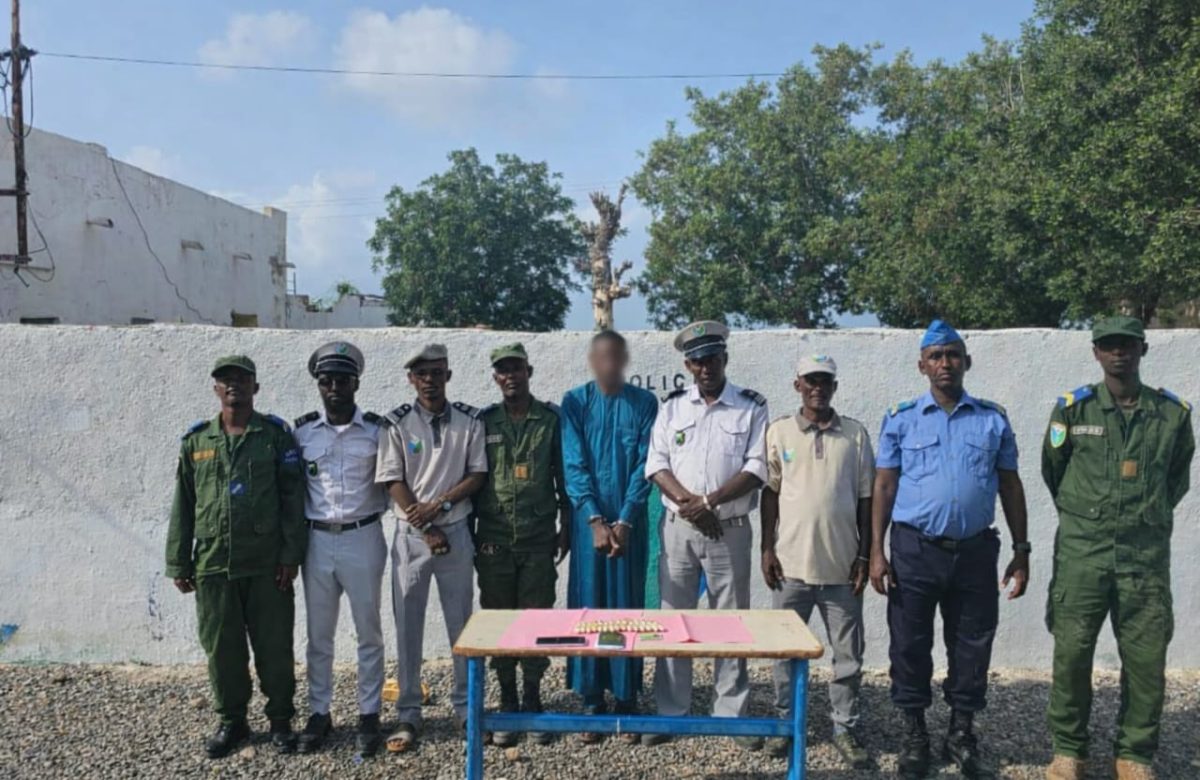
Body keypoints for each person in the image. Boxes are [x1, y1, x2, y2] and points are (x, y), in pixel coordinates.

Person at [869, 320, 1030, 780]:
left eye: (953, 355)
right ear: (922, 366)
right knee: (910, 644)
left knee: (973, 645)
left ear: (967, 362)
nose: (945, 363)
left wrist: (1022, 549)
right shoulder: (901, 418)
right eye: (936, 356)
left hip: (976, 552)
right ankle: (915, 733)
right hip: (915, 549)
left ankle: (961, 733)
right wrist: (876, 552)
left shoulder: (992, 418)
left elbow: (1010, 485)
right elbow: (883, 485)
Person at [1041, 316, 1194, 780]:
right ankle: (1069, 750)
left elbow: (1176, 480)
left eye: (1127, 345)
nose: (1118, 353)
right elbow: (1055, 471)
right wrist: (1089, 513)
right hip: (1083, 556)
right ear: (1096, 353)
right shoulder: (1072, 411)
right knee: (1072, 655)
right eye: (1108, 345)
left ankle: (1135, 755)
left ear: (1143, 350)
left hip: (1143, 560)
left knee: (1146, 660)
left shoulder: (1173, 415)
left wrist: (1141, 517)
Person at [165, 355, 306, 759]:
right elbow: (184, 504)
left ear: (255, 388)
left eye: (242, 380)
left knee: (274, 647)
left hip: (266, 565)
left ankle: (281, 721)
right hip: (213, 564)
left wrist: (291, 555)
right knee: (222, 650)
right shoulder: (197, 442)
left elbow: (292, 498)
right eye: (225, 380)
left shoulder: (274, 436)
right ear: (215, 388)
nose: (234, 387)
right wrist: (178, 561)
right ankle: (233, 722)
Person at [643, 320, 769, 750]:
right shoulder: (673, 406)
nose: (705, 368)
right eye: (697, 361)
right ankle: (669, 713)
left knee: (731, 623)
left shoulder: (750, 406)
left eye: (712, 359)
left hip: (728, 529)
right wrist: (691, 505)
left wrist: (709, 502)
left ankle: (731, 716)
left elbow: (757, 468)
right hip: (680, 528)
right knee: (673, 621)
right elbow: (656, 463)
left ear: (724, 359)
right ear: (687, 365)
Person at [760, 354, 873, 768]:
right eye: (811, 381)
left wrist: (864, 554)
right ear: (798, 385)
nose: (818, 388)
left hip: (842, 570)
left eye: (825, 381)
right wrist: (766, 549)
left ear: (835, 386)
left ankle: (845, 727)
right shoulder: (779, 433)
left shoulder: (856, 435)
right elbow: (769, 493)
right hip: (790, 568)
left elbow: (866, 498)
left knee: (847, 658)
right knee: (783, 654)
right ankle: (785, 725)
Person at [375, 343, 488, 752]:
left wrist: (440, 507)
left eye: (437, 372)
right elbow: (392, 480)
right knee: (408, 626)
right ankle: (408, 713)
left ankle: (466, 708)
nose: (429, 380)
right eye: (421, 374)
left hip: (455, 532)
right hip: (411, 538)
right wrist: (424, 526)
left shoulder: (469, 421)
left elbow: (476, 474)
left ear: (448, 375)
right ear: (411, 379)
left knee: (462, 623)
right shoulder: (397, 424)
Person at [560, 330, 658, 743]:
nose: (609, 364)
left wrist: (626, 519)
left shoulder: (645, 403)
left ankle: (626, 697)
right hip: (589, 528)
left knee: (624, 608)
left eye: (617, 357)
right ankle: (591, 698)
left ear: (625, 360)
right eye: (602, 357)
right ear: (591, 360)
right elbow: (573, 462)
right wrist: (594, 518)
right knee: (589, 607)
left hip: (628, 525)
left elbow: (645, 464)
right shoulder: (575, 403)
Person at [292, 342, 389, 757]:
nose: (334, 387)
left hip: (363, 536)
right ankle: (320, 712)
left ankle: (369, 714)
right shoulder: (301, 433)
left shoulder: (378, 431)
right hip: (317, 540)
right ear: (318, 385)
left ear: (356, 383)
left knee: (368, 632)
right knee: (319, 635)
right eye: (326, 380)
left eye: (342, 380)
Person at [474, 343, 571, 747]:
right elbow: (472, 475)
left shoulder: (550, 420)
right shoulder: (483, 422)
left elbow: (563, 476)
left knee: (536, 620)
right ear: (495, 377)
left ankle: (533, 700)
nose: (510, 376)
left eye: (516, 369)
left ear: (529, 371)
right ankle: (508, 700)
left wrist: (567, 524)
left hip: (537, 538)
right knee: (499, 620)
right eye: (503, 371)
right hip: (494, 538)